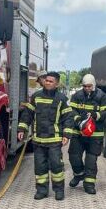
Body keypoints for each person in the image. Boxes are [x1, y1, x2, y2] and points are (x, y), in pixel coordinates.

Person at [17, 72, 76, 200]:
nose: (47, 83)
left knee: (56, 166)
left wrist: (66, 134)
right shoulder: (36, 96)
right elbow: (28, 114)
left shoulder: (62, 99)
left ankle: (59, 190)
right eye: (46, 80)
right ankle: (42, 190)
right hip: (38, 140)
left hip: (54, 140)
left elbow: (68, 118)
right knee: (40, 167)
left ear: (57, 84)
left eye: (51, 81)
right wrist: (22, 128)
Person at [68, 74, 106, 194]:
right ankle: (79, 175)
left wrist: (96, 115)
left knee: (91, 161)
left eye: (89, 86)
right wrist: (77, 119)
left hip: (95, 134)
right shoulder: (77, 96)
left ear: (94, 85)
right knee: (74, 156)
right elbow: (71, 110)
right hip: (79, 133)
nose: (87, 88)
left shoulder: (102, 96)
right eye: (85, 86)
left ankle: (89, 184)